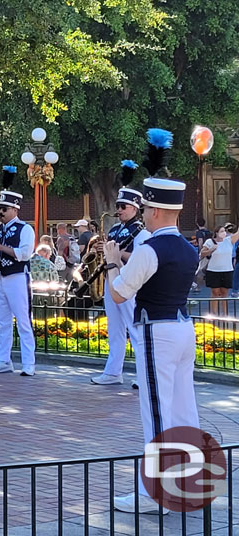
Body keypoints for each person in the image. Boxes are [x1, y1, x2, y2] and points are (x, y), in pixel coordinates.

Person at [105, 129, 201, 514]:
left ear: (156, 210)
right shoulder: (187, 247)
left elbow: (118, 294)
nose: (142, 213)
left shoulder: (149, 247)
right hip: (181, 327)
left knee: (157, 412)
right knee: (183, 410)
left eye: (145, 208)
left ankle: (156, 494)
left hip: (155, 332)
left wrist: (113, 260)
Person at [91, 160, 149, 385]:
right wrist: (101, 250)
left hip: (129, 282)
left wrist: (117, 254)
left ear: (135, 208)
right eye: (118, 206)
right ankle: (113, 372)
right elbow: (111, 251)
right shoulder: (115, 228)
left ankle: (143, 375)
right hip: (111, 279)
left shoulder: (141, 232)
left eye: (123, 207)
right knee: (114, 329)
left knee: (134, 329)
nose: (119, 210)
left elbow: (141, 259)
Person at [0, 167, 37, 376]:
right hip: (0, 277)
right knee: (3, 321)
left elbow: (25, 253)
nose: (0, 212)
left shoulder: (25, 228)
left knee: (23, 320)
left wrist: (0, 248)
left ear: (15, 209)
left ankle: (29, 363)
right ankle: (3, 360)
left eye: (4, 209)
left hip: (17, 276)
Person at [200, 222, 239, 317]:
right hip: (214, 270)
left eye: (224, 231)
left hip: (227, 270)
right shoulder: (210, 242)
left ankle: (224, 314)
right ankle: (213, 313)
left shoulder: (229, 240)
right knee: (215, 292)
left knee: (224, 292)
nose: (223, 233)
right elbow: (202, 253)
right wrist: (211, 250)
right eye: (221, 231)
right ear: (216, 233)